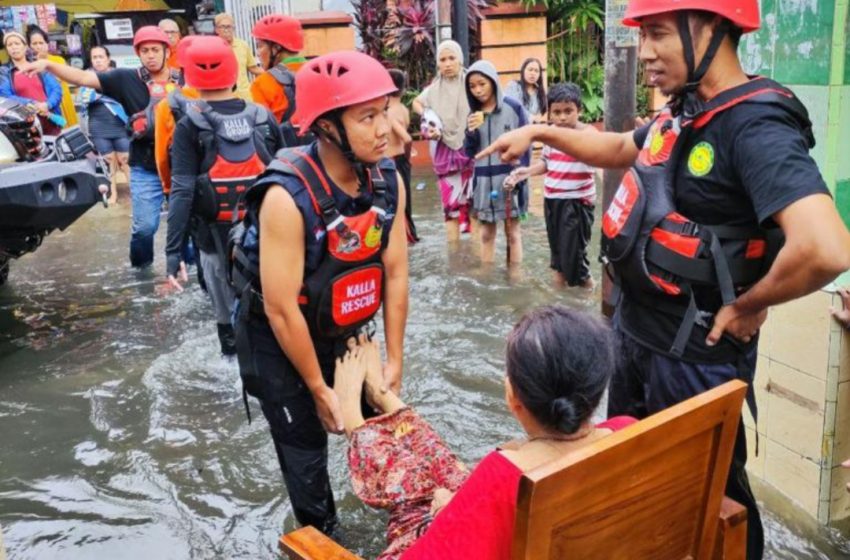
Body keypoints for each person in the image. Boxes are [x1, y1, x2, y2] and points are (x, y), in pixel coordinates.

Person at [479, 1, 850, 557]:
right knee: (635, 483)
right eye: (643, 36)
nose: (646, 52)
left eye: (657, 34)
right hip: (635, 338)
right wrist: (538, 132)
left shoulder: (754, 124)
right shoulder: (687, 111)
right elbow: (617, 148)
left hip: (693, 359)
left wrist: (750, 303)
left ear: (711, 26)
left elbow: (825, 247)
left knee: (713, 498)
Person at [230, 50, 408, 535]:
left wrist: (394, 359)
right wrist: (318, 388)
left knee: (387, 443)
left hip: (343, 326)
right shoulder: (285, 199)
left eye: (386, 110)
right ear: (327, 127)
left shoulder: (387, 180)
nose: (385, 129)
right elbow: (280, 308)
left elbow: (396, 273)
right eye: (367, 117)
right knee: (308, 467)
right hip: (280, 342)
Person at [332, 306, 635, 559]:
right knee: (443, 471)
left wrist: (446, 517)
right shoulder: (628, 431)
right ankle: (382, 396)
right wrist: (457, 506)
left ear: (513, 398)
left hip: (485, 533)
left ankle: (353, 415)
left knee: (416, 497)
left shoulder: (503, 478)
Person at [20, 26, 183, 268]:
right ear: (138, 53)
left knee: (188, 227)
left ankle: (190, 271)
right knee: (144, 228)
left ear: (166, 51)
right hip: (146, 166)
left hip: (182, 167)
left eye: (155, 50)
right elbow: (82, 78)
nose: (150, 55)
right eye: (145, 50)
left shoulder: (185, 79)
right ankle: (142, 271)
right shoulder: (125, 78)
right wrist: (49, 65)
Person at [163, 35, 281, 356]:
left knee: (228, 321)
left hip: (213, 241)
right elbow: (289, 175)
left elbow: (182, 191)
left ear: (189, 77)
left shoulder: (189, 124)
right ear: (234, 73)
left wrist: (173, 252)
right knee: (273, 315)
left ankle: (232, 368)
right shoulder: (263, 117)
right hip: (269, 238)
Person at [507, 83, 596, 287]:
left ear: (579, 110)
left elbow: (600, 160)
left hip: (576, 203)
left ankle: (589, 298)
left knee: (576, 264)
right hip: (552, 201)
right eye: (556, 112)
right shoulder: (550, 135)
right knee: (557, 262)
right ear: (550, 114)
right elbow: (547, 163)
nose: (562, 117)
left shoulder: (588, 134)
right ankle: (558, 301)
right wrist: (526, 172)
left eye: (568, 111)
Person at [463, 60, 529, 264]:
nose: (477, 90)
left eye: (482, 84)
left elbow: (526, 142)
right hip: (483, 181)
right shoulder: (474, 114)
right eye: (472, 86)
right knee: (485, 234)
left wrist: (521, 176)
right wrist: (470, 132)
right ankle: (486, 275)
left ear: (493, 81)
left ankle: (515, 276)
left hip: (510, 179)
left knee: (513, 233)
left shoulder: (514, 108)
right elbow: (469, 152)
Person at [412, 40, 475, 240]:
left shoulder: (472, 82)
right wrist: (428, 116)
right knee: (450, 210)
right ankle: (454, 254)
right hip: (445, 155)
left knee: (474, 208)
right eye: (443, 59)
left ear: (460, 59)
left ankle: (477, 254)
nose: (447, 64)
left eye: (451, 58)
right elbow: (416, 103)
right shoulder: (434, 89)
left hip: (471, 150)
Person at [76, 45, 130, 204]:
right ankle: (112, 194)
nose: (98, 60)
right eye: (95, 57)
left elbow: (126, 98)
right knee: (108, 160)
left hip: (120, 125)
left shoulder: (118, 78)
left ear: (108, 59)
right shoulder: (86, 79)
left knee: (125, 160)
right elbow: (82, 103)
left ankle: (136, 193)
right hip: (98, 127)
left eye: (101, 57)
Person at [249, 13, 306, 143]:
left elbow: (261, 133)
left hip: (283, 152)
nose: (258, 53)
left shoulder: (263, 83)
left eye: (260, 46)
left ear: (276, 48)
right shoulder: (318, 71)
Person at [0, 31, 63, 136]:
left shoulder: (38, 65)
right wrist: (31, 103)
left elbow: (56, 88)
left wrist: (47, 104)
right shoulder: (4, 71)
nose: (14, 47)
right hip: (25, 126)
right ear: (7, 49)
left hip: (50, 118)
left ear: (25, 47)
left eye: (17, 43)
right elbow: (5, 95)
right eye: (9, 45)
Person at [387, 69, 418, 243]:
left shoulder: (389, 113)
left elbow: (406, 138)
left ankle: (404, 239)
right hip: (401, 161)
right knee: (405, 203)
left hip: (393, 162)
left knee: (396, 204)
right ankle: (409, 236)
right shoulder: (403, 109)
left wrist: (406, 156)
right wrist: (406, 157)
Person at [26, 26, 78, 129]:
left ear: (47, 44)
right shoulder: (29, 65)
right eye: (34, 44)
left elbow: (62, 78)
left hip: (63, 100)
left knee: (69, 129)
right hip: (44, 105)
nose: (38, 46)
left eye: (41, 43)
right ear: (29, 46)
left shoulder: (58, 60)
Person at [214, 13, 263, 102]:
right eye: (223, 27)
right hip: (224, 98)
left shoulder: (243, 45)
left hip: (245, 97)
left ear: (233, 28)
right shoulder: (213, 48)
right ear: (216, 29)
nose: (226, 30)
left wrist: (271, 74)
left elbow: (253, 68)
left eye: (229, 27)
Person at [504, 57, 547, 124]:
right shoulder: (513, 86)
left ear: (539, 74)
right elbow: (513, 106)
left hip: (533, 128)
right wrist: (531, 117)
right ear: (523, 71)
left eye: (536, 71)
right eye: (530, 70)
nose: (533, 73)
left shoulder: (540, 93)